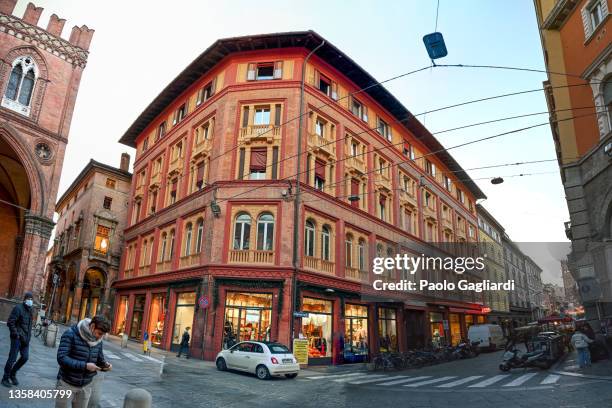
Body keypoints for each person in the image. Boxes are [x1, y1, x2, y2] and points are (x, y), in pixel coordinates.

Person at [55, 315, 112, 408]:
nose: (100, 337)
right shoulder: (70, 334)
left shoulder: (98, 340)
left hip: (86, 385)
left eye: (102, 335)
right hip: (66, 383)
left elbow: (99, 359)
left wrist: (105, 365)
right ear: (92, 326)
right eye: (99, 333)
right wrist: (85, 366)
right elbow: (61, 358)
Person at [2, 291, 34, 387]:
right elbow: (10, 322)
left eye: (32, 299)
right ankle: (5, 378)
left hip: (26, 339)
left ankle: (13, 373)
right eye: (29, 299)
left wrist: (28, 337)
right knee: (12, 359)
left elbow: (29, 326)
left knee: (25, 357)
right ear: (25, 299)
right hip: (17, 338)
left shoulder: (31, 310)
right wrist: (16, 334)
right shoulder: (18, 308)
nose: (30, 301)